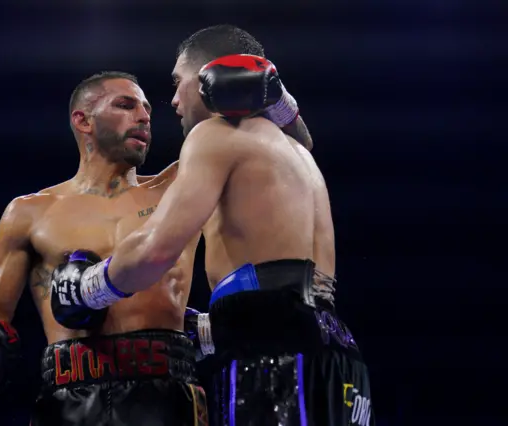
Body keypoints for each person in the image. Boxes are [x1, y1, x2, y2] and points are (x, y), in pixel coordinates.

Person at [53, 25, 375, 426]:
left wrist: (87, 289)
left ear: (209, 77)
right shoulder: (295, 153)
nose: (171, 100)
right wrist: (209, 328)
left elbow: (156, 249)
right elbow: (288, 289)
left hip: (276, 361)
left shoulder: (214, 136)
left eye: (178, 82)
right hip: (338, 358)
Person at [0, 71, 209, 426]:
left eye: (146, 109)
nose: (144, 116)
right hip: (71, 397)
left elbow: (262, 145)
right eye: (125, 105)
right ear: (83, 120)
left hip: (167, 393)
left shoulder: (179, 188)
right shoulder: (30, 213)